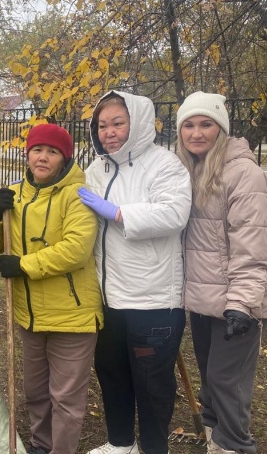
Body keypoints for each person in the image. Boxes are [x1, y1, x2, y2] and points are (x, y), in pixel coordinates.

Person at [176, 92, 267, 454]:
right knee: (211, 378)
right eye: (188, 125)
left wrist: (241, 304)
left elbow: (253, 244)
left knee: (227, 381)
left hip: (239, 299)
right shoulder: (189, 170)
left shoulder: (243, 173)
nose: (196, 133)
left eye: (206, 124)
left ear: (221, 129)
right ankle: (216, 440)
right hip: (205, 297)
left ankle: (236, 445)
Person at [80, 91, 192, 454]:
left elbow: (174, 214)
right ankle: (121, 443)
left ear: (138, 123)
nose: (109, 132)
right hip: (109, 297)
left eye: (118, 123)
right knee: (112, 372)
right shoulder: (96, 169)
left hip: (153, 300)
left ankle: (154, 448)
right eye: (102, 125)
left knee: (152, 384)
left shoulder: (164, 164)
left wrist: (118, 213)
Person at [0, 123, 103, 454]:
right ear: (28, 154)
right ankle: (41, 444)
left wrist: (23, 265)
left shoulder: (77, 196)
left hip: (72, 315)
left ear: (64, 159)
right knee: (35, 391)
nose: (43, 157)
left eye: (52, 152)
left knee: (65, 398)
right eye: (37, 150)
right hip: (30, 315)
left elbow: (77, 250)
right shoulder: (16, 193)